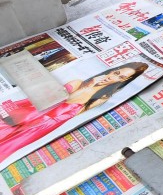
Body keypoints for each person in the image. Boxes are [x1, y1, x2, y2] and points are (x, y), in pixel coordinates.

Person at [0, 62, 149, 160]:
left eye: (121, 78)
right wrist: (92, 83)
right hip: (36, 111)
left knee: (9, 146)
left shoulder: (102, 98)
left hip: (48, 123)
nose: (113, 77)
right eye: (116, 72)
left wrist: (95, 88)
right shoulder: (79, 82)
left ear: (122, 82)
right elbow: (54, 97)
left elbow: (74, 113)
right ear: (112, 70)